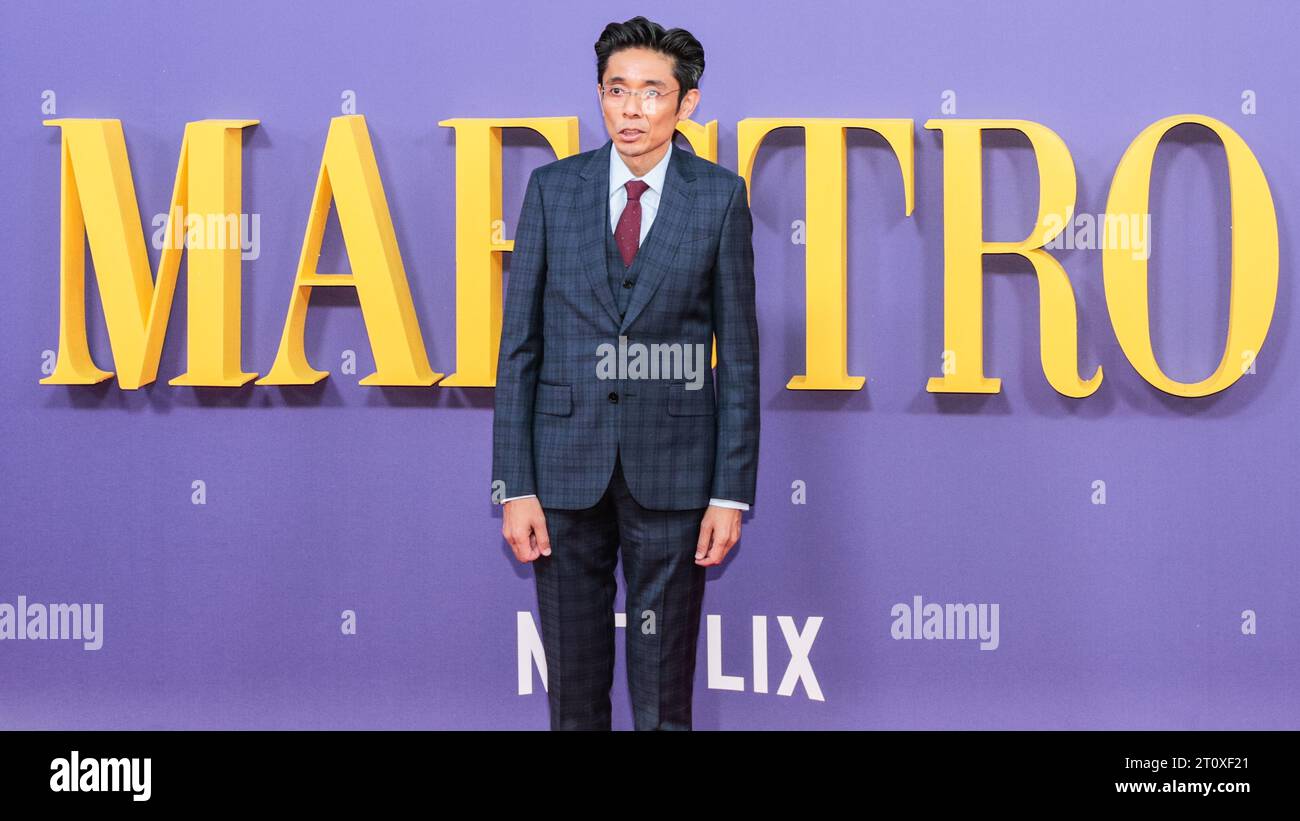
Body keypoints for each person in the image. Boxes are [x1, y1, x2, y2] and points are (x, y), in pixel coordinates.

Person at [492, 16, 759, 730]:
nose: (631, 109)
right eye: (616, 90)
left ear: (687, 102)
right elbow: (518, 346)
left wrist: (731, 492)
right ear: (600, 97)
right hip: (562, 474)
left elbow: (736, 355)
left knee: (663, 700)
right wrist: (514, 483)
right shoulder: (552, 190)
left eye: (651, 92)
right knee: (572, 700)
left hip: (674, 474)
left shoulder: (720, 197)